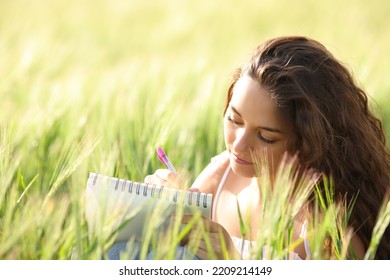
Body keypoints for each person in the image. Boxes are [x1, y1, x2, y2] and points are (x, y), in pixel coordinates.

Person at [113, 36, 390, 260]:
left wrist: (233, 265)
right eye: (234, 119)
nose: (239, 144)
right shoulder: (219, 177)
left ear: (309, 142)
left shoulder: (328, 228)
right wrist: (164, 211)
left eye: (266, 137)